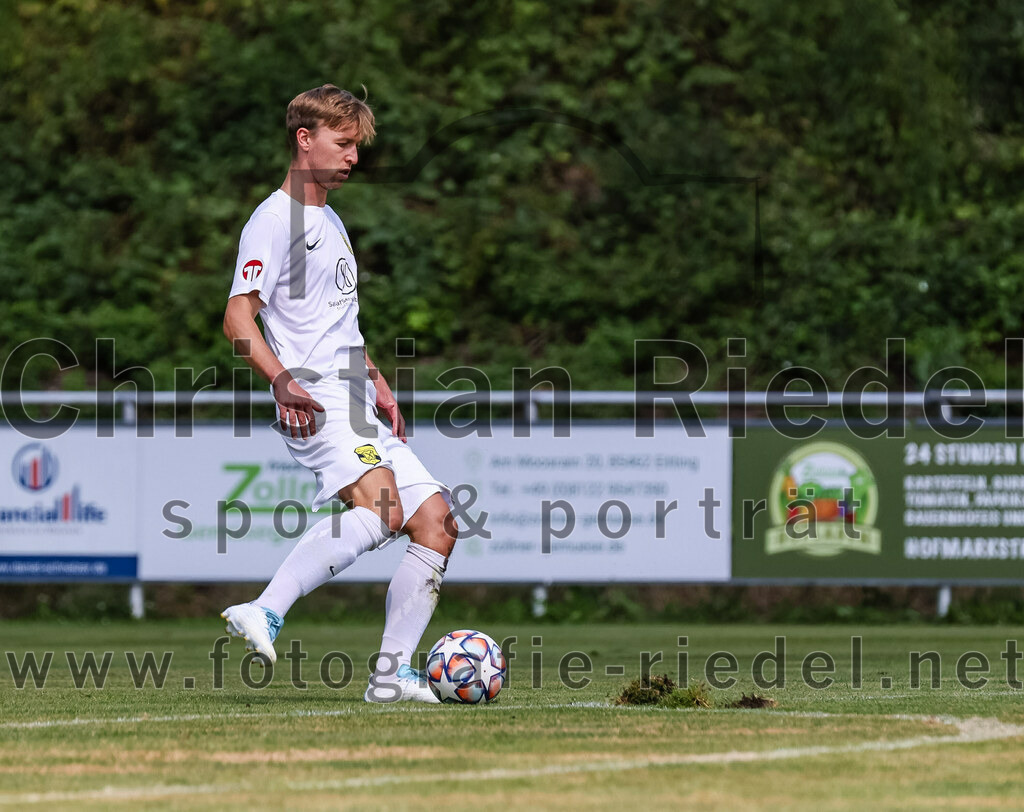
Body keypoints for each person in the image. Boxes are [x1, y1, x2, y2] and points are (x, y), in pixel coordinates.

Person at [220, 84, 456, 703]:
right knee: (383, 512)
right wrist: (282, 380)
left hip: (353, 392)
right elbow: (238, 318)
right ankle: (266, 610)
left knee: (437, 524)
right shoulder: (275, 220)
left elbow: (337, 322)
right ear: (306, 139)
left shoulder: (329, 218)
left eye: (357, 147)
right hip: (318, 399)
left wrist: (376, 378)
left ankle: (392, 679)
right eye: (343, 143)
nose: (353, 157)